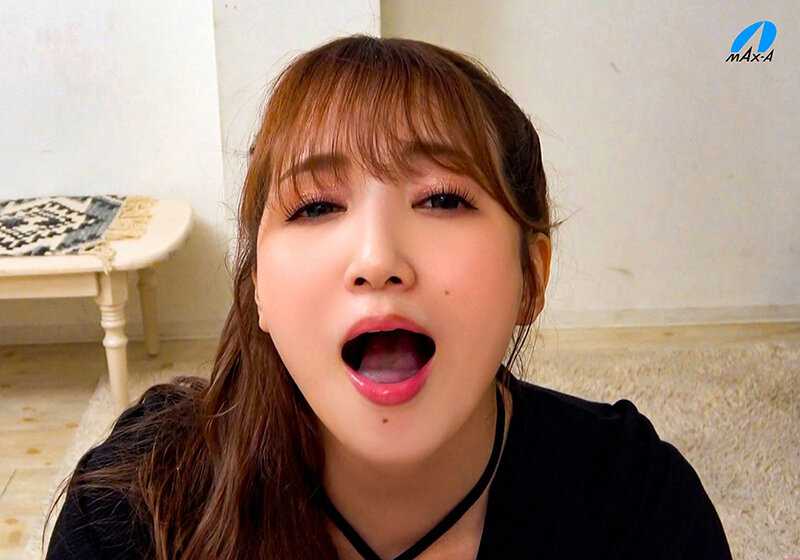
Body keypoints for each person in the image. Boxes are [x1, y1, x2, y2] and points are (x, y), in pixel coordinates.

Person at [44, 35, 732, 560]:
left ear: (532, 277)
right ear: (258, 292)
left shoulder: (636, 508)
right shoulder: (135, 512)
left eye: (442, 198)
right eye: (316, 206)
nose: (377, 260)